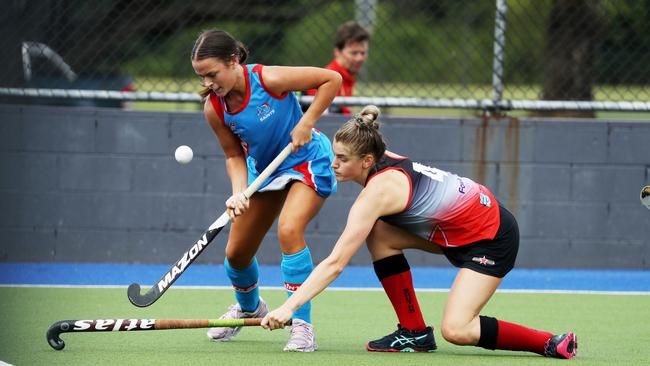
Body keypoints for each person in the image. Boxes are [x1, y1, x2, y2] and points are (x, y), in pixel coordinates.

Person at [261, 105, 578, 359]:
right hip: (458, 231)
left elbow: (336, 263)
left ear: (367, 160)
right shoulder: (379, 154)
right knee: (380, 234)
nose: (334, 164)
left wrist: (290, 306)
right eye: (334, 155)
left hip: (492, 238)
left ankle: (550, 342)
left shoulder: (377, 193)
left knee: (457, 329)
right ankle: (414, 333)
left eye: (343, 159)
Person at [191, 29, 342, 352]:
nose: (209, 84)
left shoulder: (268, 79)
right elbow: (234, 155)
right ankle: (249, 307)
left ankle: (301, 324)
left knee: (289, 230)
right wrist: (239, 192)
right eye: (202, 77)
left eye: (213, 74)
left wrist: (307, 121)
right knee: (236, 255)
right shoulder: (214, 108)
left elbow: (331, 79)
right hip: (265, 172)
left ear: (233, 61)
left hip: (305, 161)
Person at [306, 20, 370, 115]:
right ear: (337, 52)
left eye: (363, 53)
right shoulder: (326, 79)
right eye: (354, 53)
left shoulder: (347, 78)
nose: (360, 58)